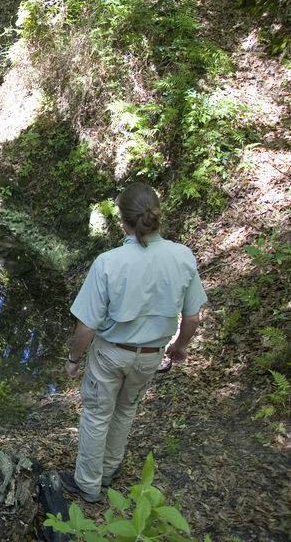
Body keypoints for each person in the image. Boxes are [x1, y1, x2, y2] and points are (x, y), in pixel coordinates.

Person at [61, 182, 207, 503]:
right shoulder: (182, 257)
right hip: (150, 356)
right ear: (157, 215)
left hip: (112, 353)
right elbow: (193, 317)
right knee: (126, 410)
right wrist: (179, 347)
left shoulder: (109, 262)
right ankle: (110, 470)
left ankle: (87, 484)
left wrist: (74, 358)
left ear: (124, 221)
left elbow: (87, 325)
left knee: (98, 414)